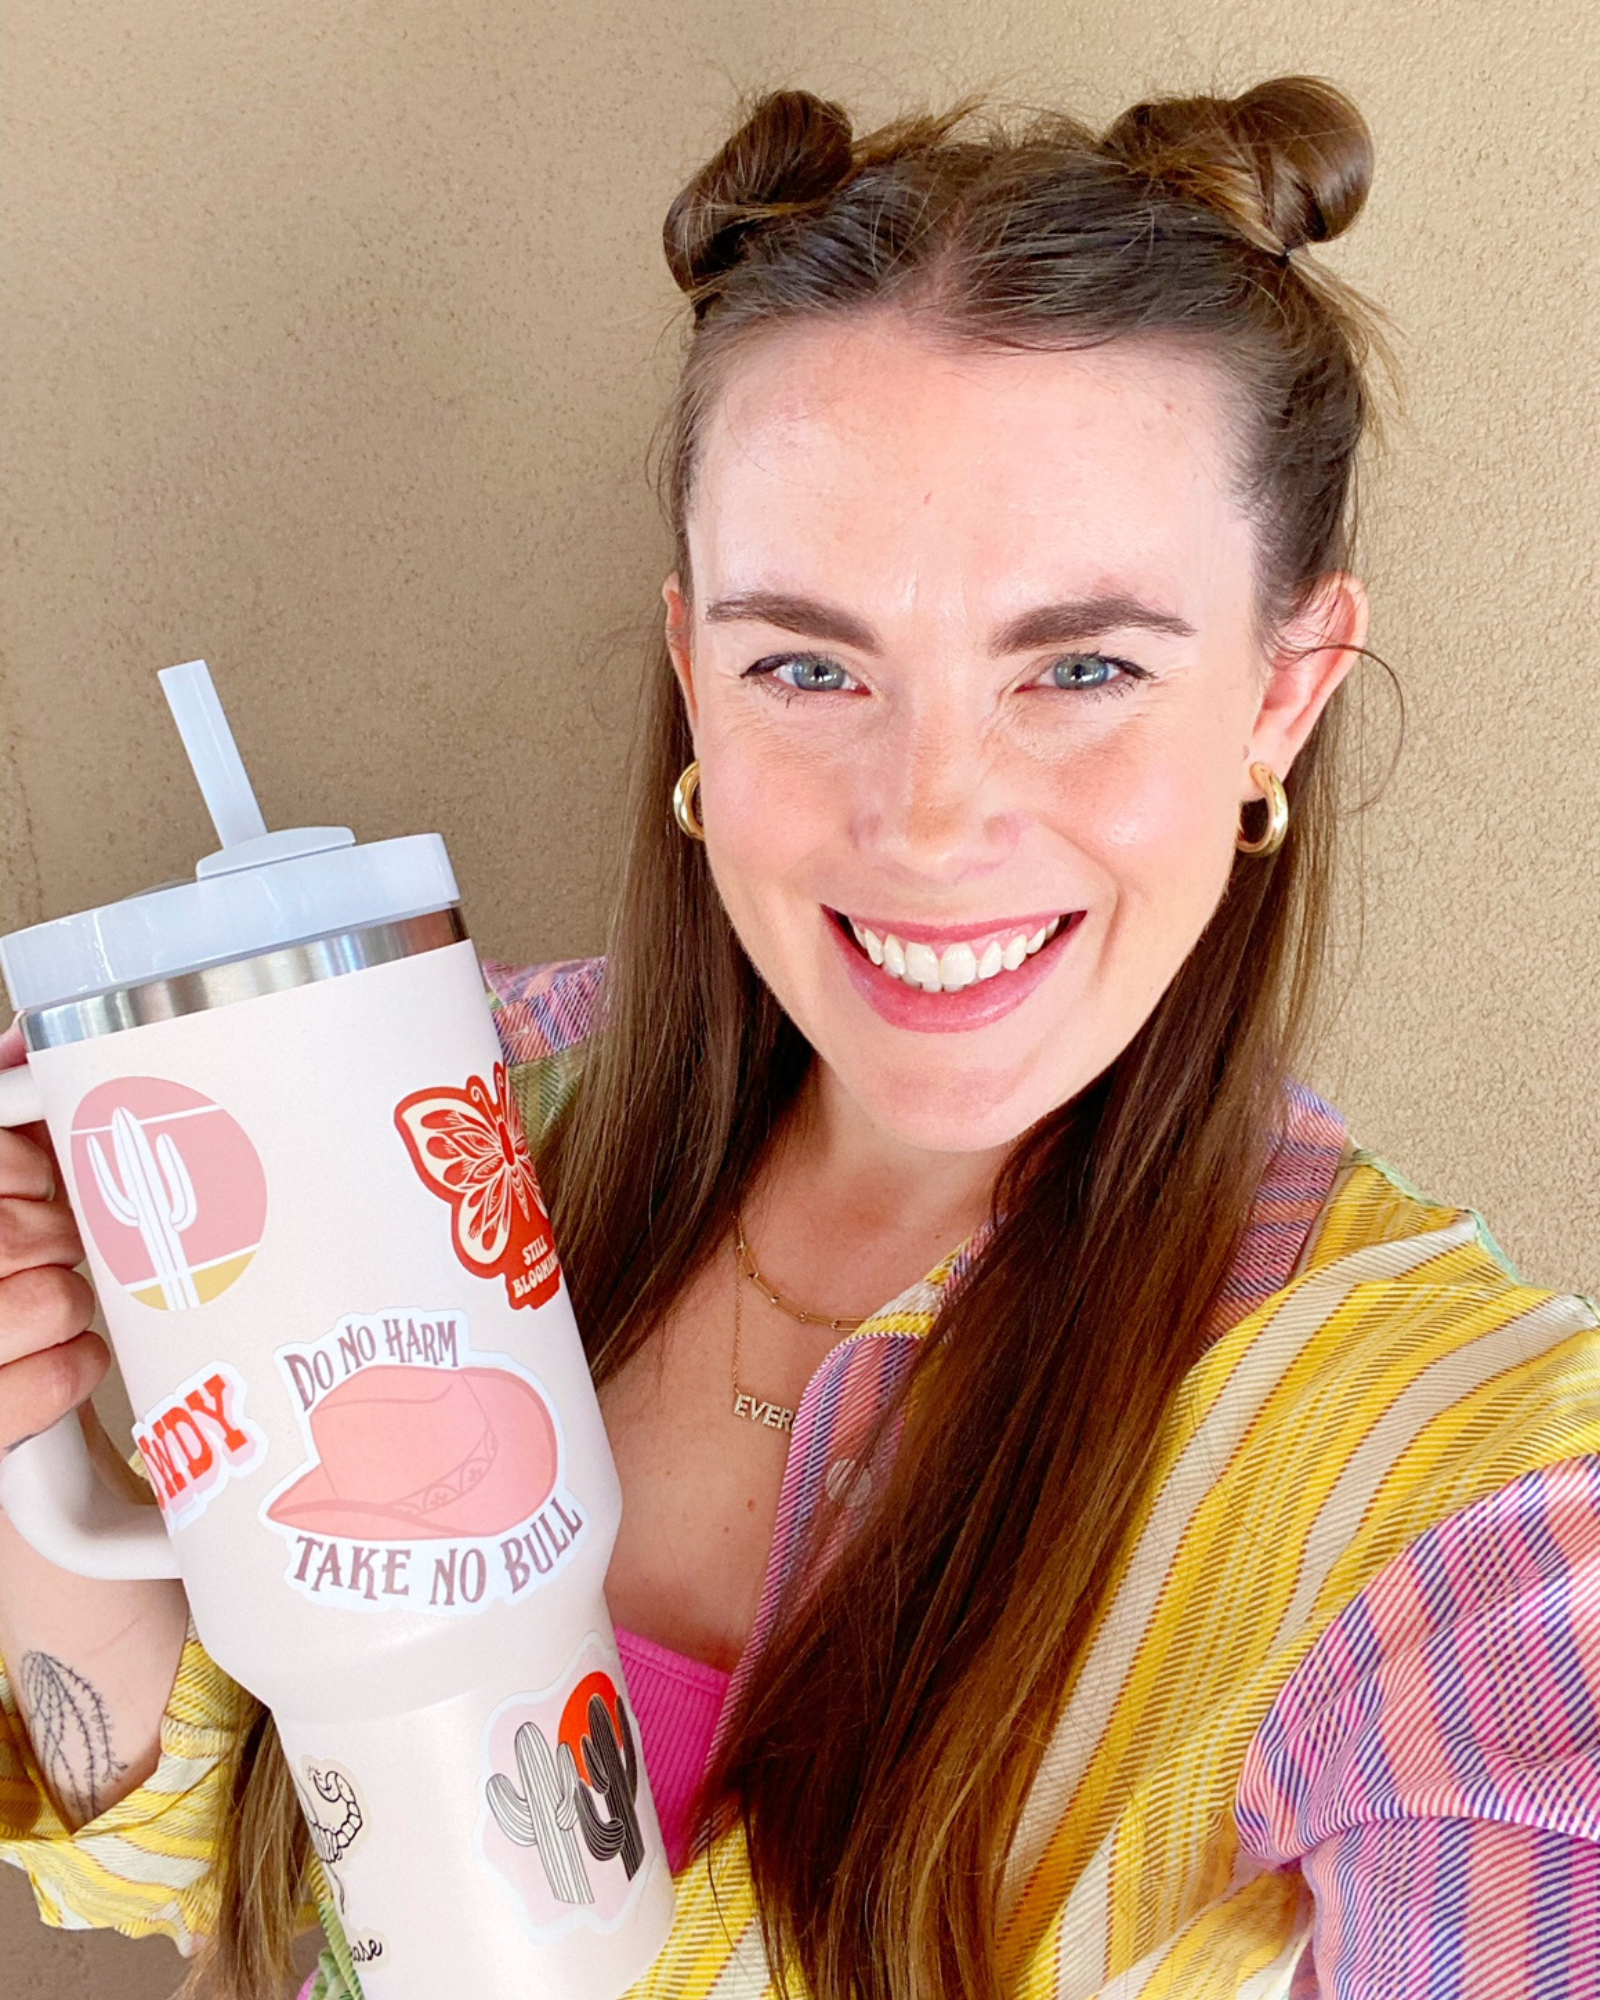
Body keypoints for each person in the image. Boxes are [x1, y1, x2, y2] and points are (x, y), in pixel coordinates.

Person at [3, 76, 1599, 2000]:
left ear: (1281, 693)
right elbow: (220, 1848)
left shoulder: (1480, 1493)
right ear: (695, 678)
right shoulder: (454, 1112)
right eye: (810, 665)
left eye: (1081, 666)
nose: (929, 822)